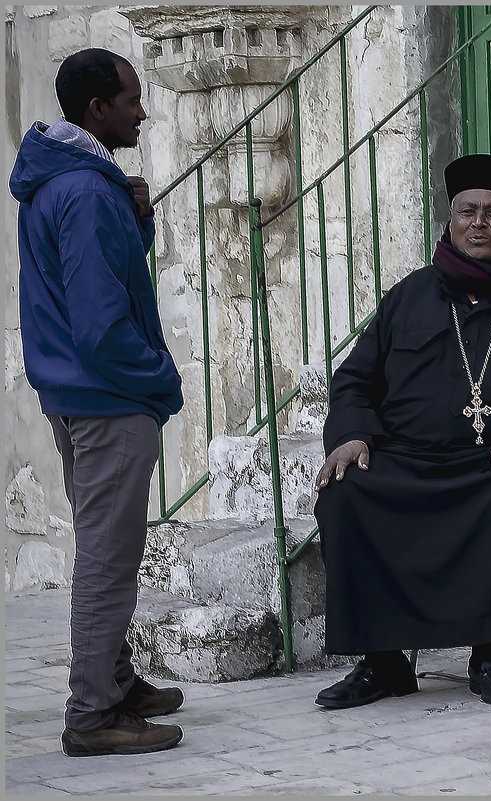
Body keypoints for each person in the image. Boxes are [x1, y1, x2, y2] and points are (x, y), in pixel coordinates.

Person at [312, 153, 491, 708]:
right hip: (409, 461)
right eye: (467, 211)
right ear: (449, 221)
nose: (479, 223)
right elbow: (355, 379)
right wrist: (352, 434)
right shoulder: (411, 295)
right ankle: (383, 663)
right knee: (347, 491)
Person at [10, 48, 185, 756]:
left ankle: (115, 682)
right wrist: (158, 381)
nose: (142, 111)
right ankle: (92, 714)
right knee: (109, 558)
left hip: (77, 390)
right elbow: (100, 320)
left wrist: (135, 217)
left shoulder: (74, 182)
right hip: (106, 395)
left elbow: (107, 268)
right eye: (132, 99)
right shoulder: (82, 191)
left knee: (103, 545)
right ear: (97, 109)